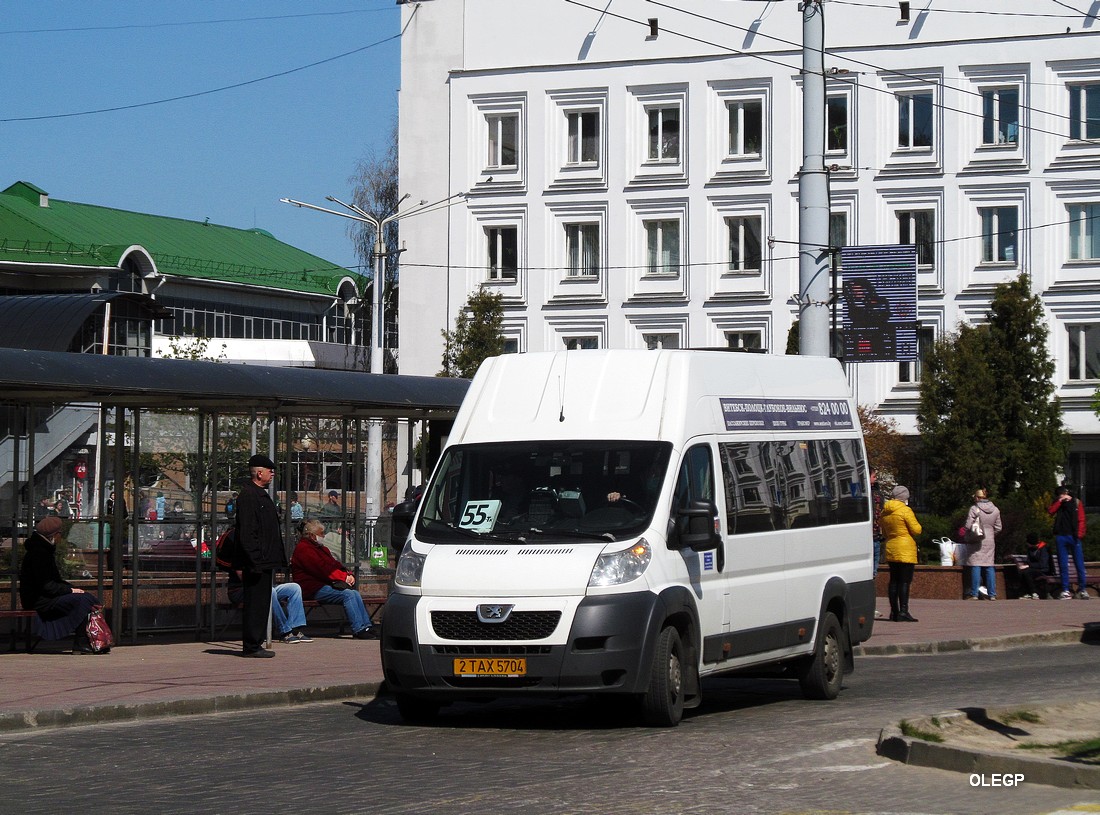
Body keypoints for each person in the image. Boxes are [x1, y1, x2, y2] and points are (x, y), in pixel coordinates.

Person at [18, 516, 106, 654]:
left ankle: (93, 640)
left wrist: (72, 589)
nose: (61, 538)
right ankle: (82, 642)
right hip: (39, 600)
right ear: (54, 535)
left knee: (85, 597)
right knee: (84, 600)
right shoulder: (39, 554)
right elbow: (47, 586)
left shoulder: (43, 551)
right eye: (60, 534)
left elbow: (53, 582)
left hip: (44, 597)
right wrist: (70, 590)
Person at [234, 454, 287, 658]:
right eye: (269, 470)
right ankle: (252, 645)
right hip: (256, 562)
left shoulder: (260, 495)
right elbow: (248, 532)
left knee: (262, 603)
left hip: (264, 561)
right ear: (259, 473)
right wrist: (255, 559)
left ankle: (255, 643)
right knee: (255, 605)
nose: (272, 474)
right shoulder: (249, 496)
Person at [291, 518, 379, 640]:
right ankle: (359, 629)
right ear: (311, 535)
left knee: (354, 593)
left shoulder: (320, 548)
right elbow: (322, 569)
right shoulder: (303, 549)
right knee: (348, 595)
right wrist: (344, 577)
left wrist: (346, 573)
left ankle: (367, 626)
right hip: (312, 588)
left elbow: (333, 564)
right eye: (320, 533)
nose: (323, 536)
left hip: (323, 585)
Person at [227, 572, 312, 644]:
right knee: (271, 592)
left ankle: (295, 629)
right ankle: (284, 631)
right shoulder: (243, 555)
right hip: (242, 590)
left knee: (294, 588)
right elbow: (243, 576)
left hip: (265, 586)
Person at [881, 485, 921, 622]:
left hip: (891, 547)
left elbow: (885, 532)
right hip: (905, 549)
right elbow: (917, 530)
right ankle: (904, 611)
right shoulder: (905, 511)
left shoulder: (885, 512)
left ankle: (894, 612)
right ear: (904, 497)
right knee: (904, 582)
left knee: (893, 581)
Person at [1048, 485, 1089, 600]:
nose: (1063, 496)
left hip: (1074, 536)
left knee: (1079, 563)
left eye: (1063, 494)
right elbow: (1050, 511)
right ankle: (1065, 590)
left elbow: (1081, 519)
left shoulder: (1076, 503)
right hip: (1061, 536)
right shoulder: (1058, 503)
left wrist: (1079, 534)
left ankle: (1082, 589)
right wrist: (1059, 501)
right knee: (1063, 564)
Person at [963, 489, 1003, 600]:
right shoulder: (995, 510)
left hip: (976, 539)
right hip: (990, 540)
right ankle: (992, 594)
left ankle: (974, 593)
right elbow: (999, 527)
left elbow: (968, 525)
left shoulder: (974, 509)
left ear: (977, 497)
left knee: (976, 565)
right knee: (989, 566)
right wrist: (990, 533)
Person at [1016, 532, 1053, 600]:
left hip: (1044, 570)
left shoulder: (1044, 548)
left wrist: (1029, 566)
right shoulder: (1030, 549)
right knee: (1022, 572)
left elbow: (1043, 564)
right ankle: (1026, 593)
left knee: (1027, 572)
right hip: (1034, 569)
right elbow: (1029, 560)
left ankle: (1034, 592)